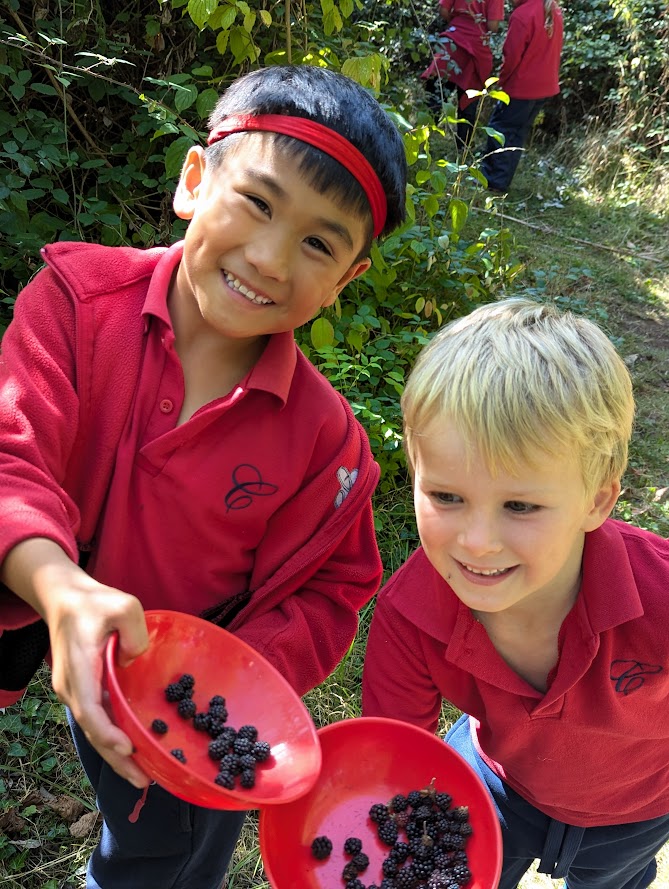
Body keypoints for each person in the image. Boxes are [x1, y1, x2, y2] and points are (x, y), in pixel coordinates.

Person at [0, 64, 408, 888]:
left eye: (318, 243)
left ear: (346, 279)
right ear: (195, 179)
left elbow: (334, 587)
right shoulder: (75, 304)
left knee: (164, 859)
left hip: (174, 699)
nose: (266, 256)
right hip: (26, 590)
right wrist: (58, 587)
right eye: (256, 203)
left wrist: (224, 683)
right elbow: (12, 454)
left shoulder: (328, 447)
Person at [362, 297, 669, 889]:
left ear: (598, 501)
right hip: (497, 783)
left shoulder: (659, 596)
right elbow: (391, 752)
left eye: (521, 506)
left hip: (636, 808)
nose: (477, 543)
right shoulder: (411, 613)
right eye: (447, 497)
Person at [481, 0, 564, 192]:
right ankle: (500, 181)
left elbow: (511, 55)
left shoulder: (523, 14)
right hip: (544, 86)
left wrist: (502, 80)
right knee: (517, 132)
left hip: (521, 86)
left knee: (500, 129)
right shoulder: (552, 9)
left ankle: (492, 180)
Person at [421, 0, 504, 151]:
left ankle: (423, 142)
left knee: (435, 95)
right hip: (477, 46)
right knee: (469, 102)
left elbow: (444, 10)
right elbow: (493, 25)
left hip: (452, 39)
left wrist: (458, 22)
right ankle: (463, 151)